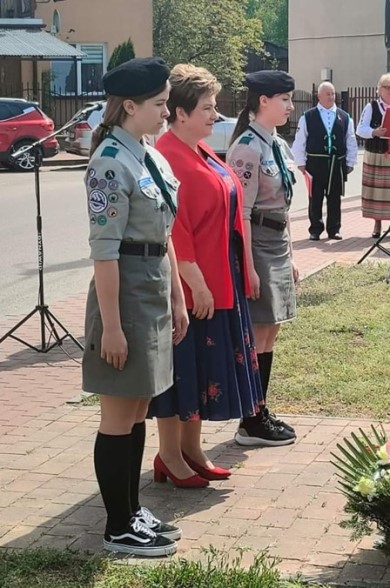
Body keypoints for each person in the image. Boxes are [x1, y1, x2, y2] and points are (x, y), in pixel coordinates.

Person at [82, 57, 189, 556]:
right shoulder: (109, 162)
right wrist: (111, 327)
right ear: (129, 105)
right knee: (118, 413)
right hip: (124, 292)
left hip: (153, 286)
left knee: (141, 404)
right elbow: (105, 252)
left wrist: (177, 296)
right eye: (160, 104)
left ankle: (131, 509)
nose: (167, 112)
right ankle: (117, 525)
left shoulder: (147, 154)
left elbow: (165, 233)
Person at [147, 64, 267, 485]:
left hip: (219, 276)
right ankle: (169, 455)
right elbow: (174, 229)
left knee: (200, 372)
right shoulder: (168, 156)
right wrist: (195, 284)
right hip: (190, 283)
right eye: (207, 108)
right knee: (182, 371)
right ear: (180, 113)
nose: (216, 115)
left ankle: (192, 450)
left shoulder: (198, 149)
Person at [226, 70, 298, 446]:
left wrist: (292, 254)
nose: (290, 106)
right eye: (284, 99)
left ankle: (260, 410)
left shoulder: (277, 144)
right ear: (263, 101)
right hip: (257, 246)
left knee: (272, 329)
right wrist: (249, 267)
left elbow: (284, 207)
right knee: (257, 332)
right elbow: (241, 213)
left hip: (277, 242)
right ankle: (250, 419)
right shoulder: (247, 148)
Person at [291, 82, 358, 241]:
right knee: (315, 197)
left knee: (335, 197)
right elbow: (300, 140)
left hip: (336, 163)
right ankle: (315, 229)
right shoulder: (308, 116)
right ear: (319, 96)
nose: (331, 97)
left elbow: (351, 140)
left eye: (333, 94)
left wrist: (350, 162)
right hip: (315, 163)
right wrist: (300, 162)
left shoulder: (345, 117)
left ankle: (334, 229)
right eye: (327, 94)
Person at [356, 73, 390, 238]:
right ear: (379, 89)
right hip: (376, 154)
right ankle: (377, 225)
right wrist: (374, 132)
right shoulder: (371, 107)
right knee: (376, 191)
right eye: (386, 87)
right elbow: (360, 129)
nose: (389, 90)